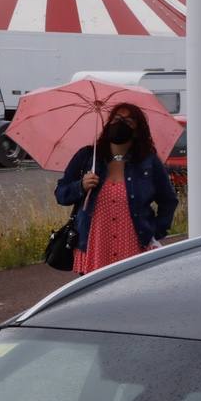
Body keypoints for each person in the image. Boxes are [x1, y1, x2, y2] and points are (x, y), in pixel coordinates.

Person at [54, 103, 178, 275]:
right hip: (95, 246)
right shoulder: (88, 157)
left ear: (137, 129)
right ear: (108, 124)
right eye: (117, 119)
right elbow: (61, 194)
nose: (121, 124)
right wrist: (80, 186)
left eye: (128, 121)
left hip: (134, 245)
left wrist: (155, 230)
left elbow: (168, 200)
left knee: (133, 297)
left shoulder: (148, 162)